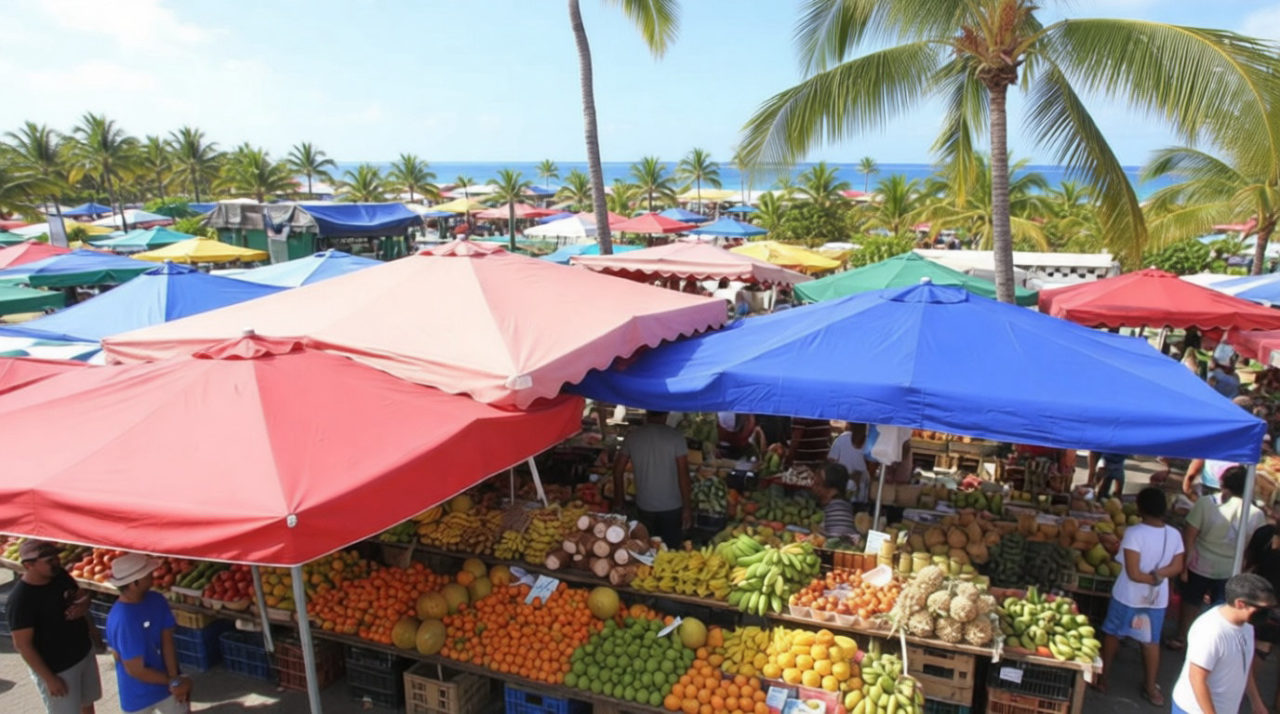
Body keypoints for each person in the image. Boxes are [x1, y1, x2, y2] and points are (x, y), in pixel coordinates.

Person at [1097, 488, 1185, 705]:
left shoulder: (1134, 533)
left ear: (1140, 508)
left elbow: (1134, 574)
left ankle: (1102, 679)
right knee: (1150, 642)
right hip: (1156, 600)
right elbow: (1177, 566)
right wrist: (1159, 576)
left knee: (1112, 634)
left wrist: (1149, 577)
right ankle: (1151, 689)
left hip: (1128, 596)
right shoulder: (1173, 534)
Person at [1169, 466, 1268, 651]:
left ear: (1223, 483)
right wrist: (1245, 569)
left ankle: (1182, 637)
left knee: (1190, 602)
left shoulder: (1206, 503)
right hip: (1231, 569)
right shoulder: (1256, 513)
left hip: (1198, 564)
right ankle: (1213, 645)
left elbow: (1189, 535)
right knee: (1220, 609)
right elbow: (1255, 545)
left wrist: (1183, 567)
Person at [7, 539, 102, 714]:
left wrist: (83, 605)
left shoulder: (59, 576)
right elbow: (22, 645)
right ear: (29, 565)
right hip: (59, 670)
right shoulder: (20, 600)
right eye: (49, 561)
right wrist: (49, 679)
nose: (56, 562)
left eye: (55, 557)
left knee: (87, 704)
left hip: (83, 654)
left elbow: (81, 597)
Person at [1170, 573, 1275, 714]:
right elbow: (1197, 678)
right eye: (1261, 609)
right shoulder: (1211, 630)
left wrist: (1256, 702)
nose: (1266, 614)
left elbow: (1243, 666)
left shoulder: (1247, 626)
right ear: (1240, 604)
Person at [104, 553, 191, 714]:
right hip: (138, 696)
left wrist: (175, 680)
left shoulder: (157, 600)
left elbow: (167, 642)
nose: (152, 575)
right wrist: (172, 681)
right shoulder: (123, 620)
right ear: (134, 583)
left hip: (167, 688)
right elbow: (136, 670)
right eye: (147, 574)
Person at [612, 410, 692, 548]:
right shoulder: (676, 437)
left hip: (644, 506)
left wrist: (619, 502)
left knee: (645, 551)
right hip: (672, 507)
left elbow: (617, 471)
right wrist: (687, 508)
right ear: (666, 415)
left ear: (646, 414)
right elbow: (683, 475)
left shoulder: (633, 436)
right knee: (670, 553)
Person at [828, 422, 877, 506]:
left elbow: (831, 461)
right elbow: (873, 466)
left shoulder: (842, 439)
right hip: (861, 486)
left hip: (843, 483)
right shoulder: (869, 442)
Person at [813, 463, 857, 538]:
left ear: (832, 490)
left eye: (818, 484)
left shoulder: (838, 511)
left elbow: (836, 540)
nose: (814, 488)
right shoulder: (844, 505)